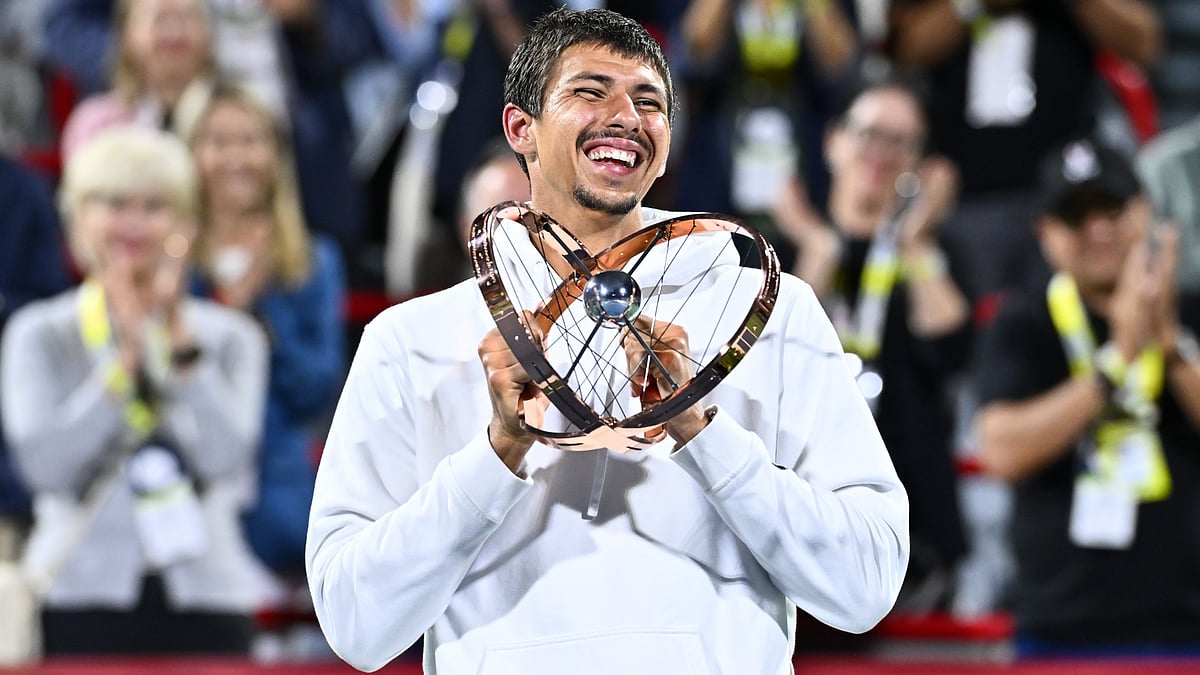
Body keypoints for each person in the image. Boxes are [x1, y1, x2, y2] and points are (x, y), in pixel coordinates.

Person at [306, 7, 909, 673]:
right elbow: (355, 624)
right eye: (590, 91)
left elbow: (866, 583)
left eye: (649, 102)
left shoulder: (775, 313)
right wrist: (497, 453)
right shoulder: (409, 339)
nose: (625, 116)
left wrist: (702, 433)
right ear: (521, 128)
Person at [0, 126, 269, 655]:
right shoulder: (40, 332)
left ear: (187, 223)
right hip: (75, 592)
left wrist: (179, 350)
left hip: (210, 596)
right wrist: (122, 367)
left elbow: (226, 459)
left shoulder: (232, 337)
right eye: (114, 203)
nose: (133, 223)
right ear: (78, 218)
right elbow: (44, 468)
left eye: (154, 206)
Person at [973, 135, 1200, 655]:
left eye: (1112, 209)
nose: (1098, 229)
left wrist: (1171, 348)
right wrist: (1117, 360)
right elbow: (1001, 451)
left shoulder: (1190, 315)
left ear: (1145, 213)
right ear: (1046, 233)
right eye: (1076, 216)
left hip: (1188, 623)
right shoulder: (1021, 324)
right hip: (1060, 628)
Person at [779, 80, 971, 612]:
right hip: (802, 505)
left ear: (921, 163)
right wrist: (818, 249)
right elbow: (776, 353)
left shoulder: (933, 252)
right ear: (833, 141)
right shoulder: (781, 250)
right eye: (868, 134)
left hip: (912, 512)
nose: (881, 153)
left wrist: (914, 240)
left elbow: (952, 350)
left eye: (900, 142)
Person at [183, 84, 346, 580]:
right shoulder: (168, 258)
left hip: (277, 491)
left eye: (250, 140)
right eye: (218, 141)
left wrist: (260, 310)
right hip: (185, 478)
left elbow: (316, 391)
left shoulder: (313, 262)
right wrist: (225, 308)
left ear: (275, 155)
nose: (236, 157)